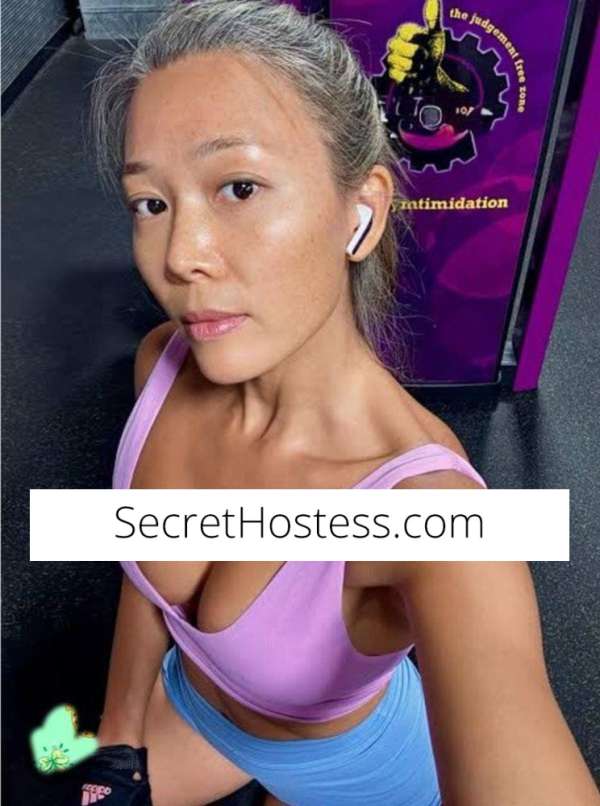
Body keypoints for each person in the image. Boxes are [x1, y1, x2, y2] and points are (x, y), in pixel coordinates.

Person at [83, 1, 600, 804]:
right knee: (51, 769)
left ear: (360, 213)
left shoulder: (431, 517)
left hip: (359, 777)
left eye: (239, 187)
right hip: (195, 717)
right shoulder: (163, 365)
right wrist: (118, 744)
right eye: (151, 203)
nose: (180, 257)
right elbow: (144, 574)